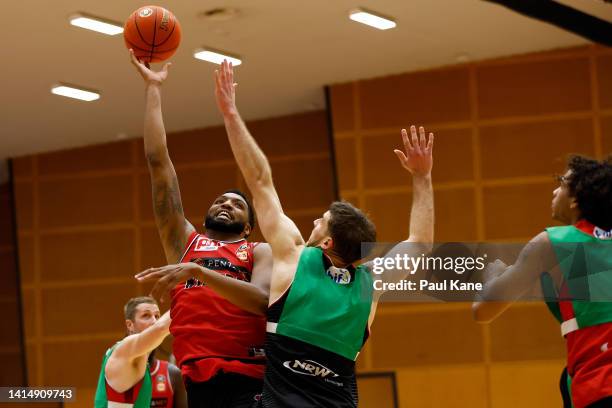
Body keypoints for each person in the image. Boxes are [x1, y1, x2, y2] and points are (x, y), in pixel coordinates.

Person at [138, 61, 434, 407]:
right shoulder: (370, 283)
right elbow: (419, 245)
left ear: (327, 242)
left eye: (320, 221)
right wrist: (422, 178)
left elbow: (260, 180)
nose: (312, 222)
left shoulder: (292, 257)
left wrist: (231, 114)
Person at [129, 50, 273, 407]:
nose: (226, 204)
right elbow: (158, 163)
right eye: (220, 201)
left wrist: (200, 273)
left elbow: (261, 302)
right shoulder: (185, 242)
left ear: (248, 227)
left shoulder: (257, 251)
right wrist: (153, 89)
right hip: (198, 378)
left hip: (249, 375)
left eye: (237, 204)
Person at [472, 155, 612, 408]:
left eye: (562, 183)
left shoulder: (554, 243)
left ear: (576, 199)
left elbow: (483, 310)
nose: (554, 189)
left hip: (600, 388)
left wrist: (492, 275)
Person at [94, 296, 187, 408]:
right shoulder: (124, 349)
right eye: (146, 316)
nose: (154, 321)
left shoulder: (140, 358)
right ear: (130, 325)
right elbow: (161, 328)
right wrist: (190, 293)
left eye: (157, 316)